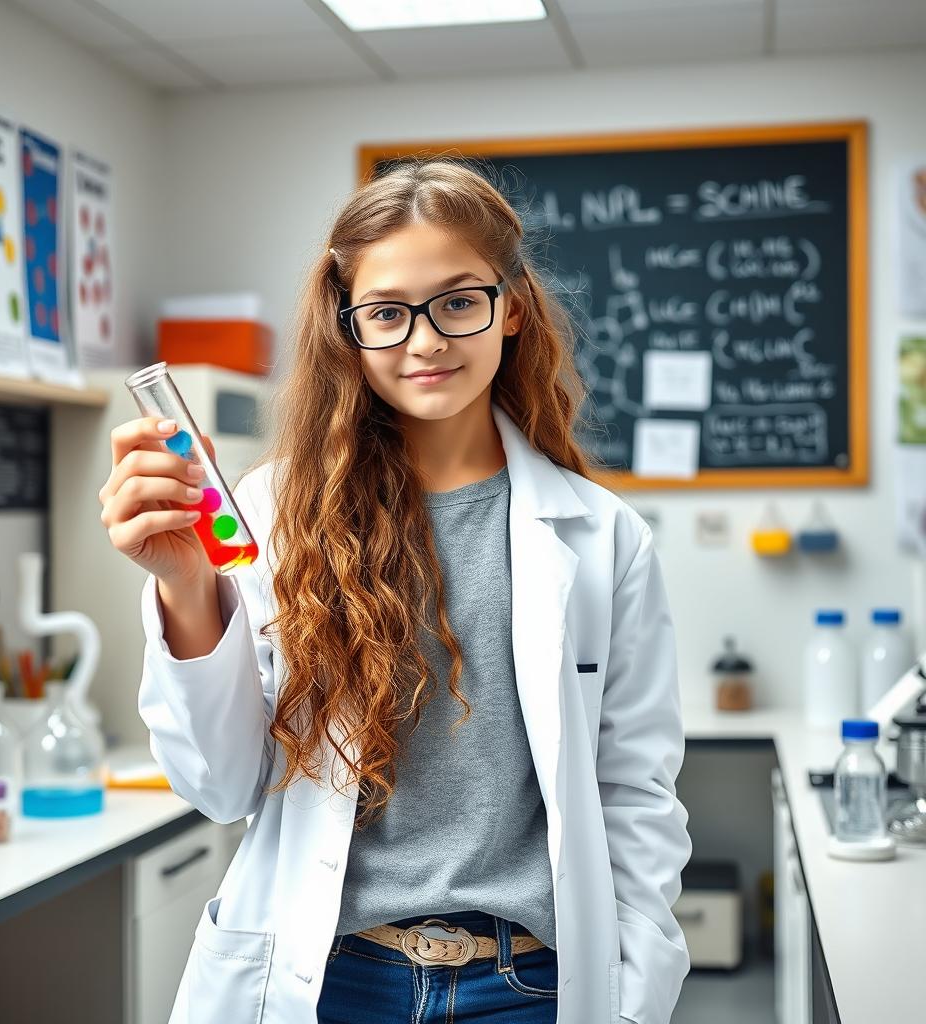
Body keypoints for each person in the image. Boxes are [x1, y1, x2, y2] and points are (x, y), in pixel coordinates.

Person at [99, 157, 692, 1024]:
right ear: (349, 329)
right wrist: (189, 591)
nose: (425, 341)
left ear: (512, 306)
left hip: (529, 986)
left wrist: (634, 999)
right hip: (329, 978)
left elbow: (636, 796)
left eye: (458, 301)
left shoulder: (602, 538)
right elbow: (221, 787)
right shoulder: (268, 516)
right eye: (386, 313)